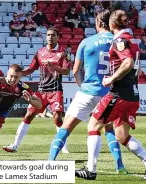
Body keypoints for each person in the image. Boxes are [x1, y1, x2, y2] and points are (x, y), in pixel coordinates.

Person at [48, 10, 127, 174]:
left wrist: (82, 86)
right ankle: (120, 166)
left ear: (98, 22)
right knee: (108, 128)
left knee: (66, 127)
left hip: (87, 91)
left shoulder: (86, 42)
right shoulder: (117, 41)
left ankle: (50, 162)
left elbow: (76, 70)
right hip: (108, 93)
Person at [75, 10, 146, 180]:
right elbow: (138, 69)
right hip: (132, 95)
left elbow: (128, 62)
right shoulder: (134, 41)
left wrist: (112, 78)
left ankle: (90, 170)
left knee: (93, 126)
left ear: (112, 24)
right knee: (122, 135)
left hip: (118, 95)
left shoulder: (120, 40)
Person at [3, 27, 71, 153]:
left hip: (56, 91)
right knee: (28, 116)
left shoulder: (63, 52)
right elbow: (31, 69)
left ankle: (63, 147)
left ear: (58, 37)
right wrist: (18, 74)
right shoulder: (40, 52)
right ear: (46, 37)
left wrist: (54, 67)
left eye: (53, 35)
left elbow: (67, 71)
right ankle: (15, 145)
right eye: (48, 35)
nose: (50, 37)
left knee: (58, 118)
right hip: (41, 91)